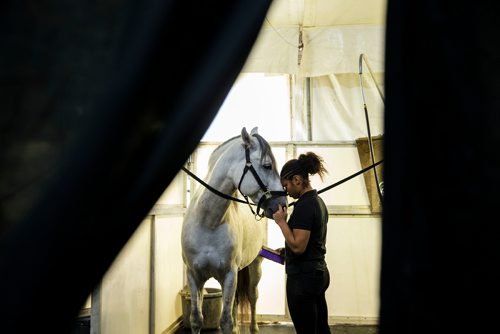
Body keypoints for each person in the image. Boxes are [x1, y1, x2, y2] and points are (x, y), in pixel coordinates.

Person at [272, 152, 331, 334]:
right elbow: (308, 242)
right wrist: (286, 249)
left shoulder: (305, 206)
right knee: (320, 328)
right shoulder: (317, 202)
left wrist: (281, 222)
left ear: (297, 180)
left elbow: (298, 246)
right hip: (317, 273)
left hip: (303, 279)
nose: (286, 192)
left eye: (286, 185)